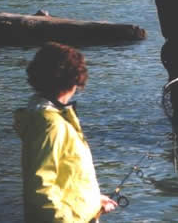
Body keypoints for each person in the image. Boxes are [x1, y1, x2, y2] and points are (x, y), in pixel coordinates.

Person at [14, 42, 118, 222]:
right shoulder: (51, 125)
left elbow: (66, 177)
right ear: (74, 80)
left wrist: (93, 202)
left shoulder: (45, 117)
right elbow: (41, 189)